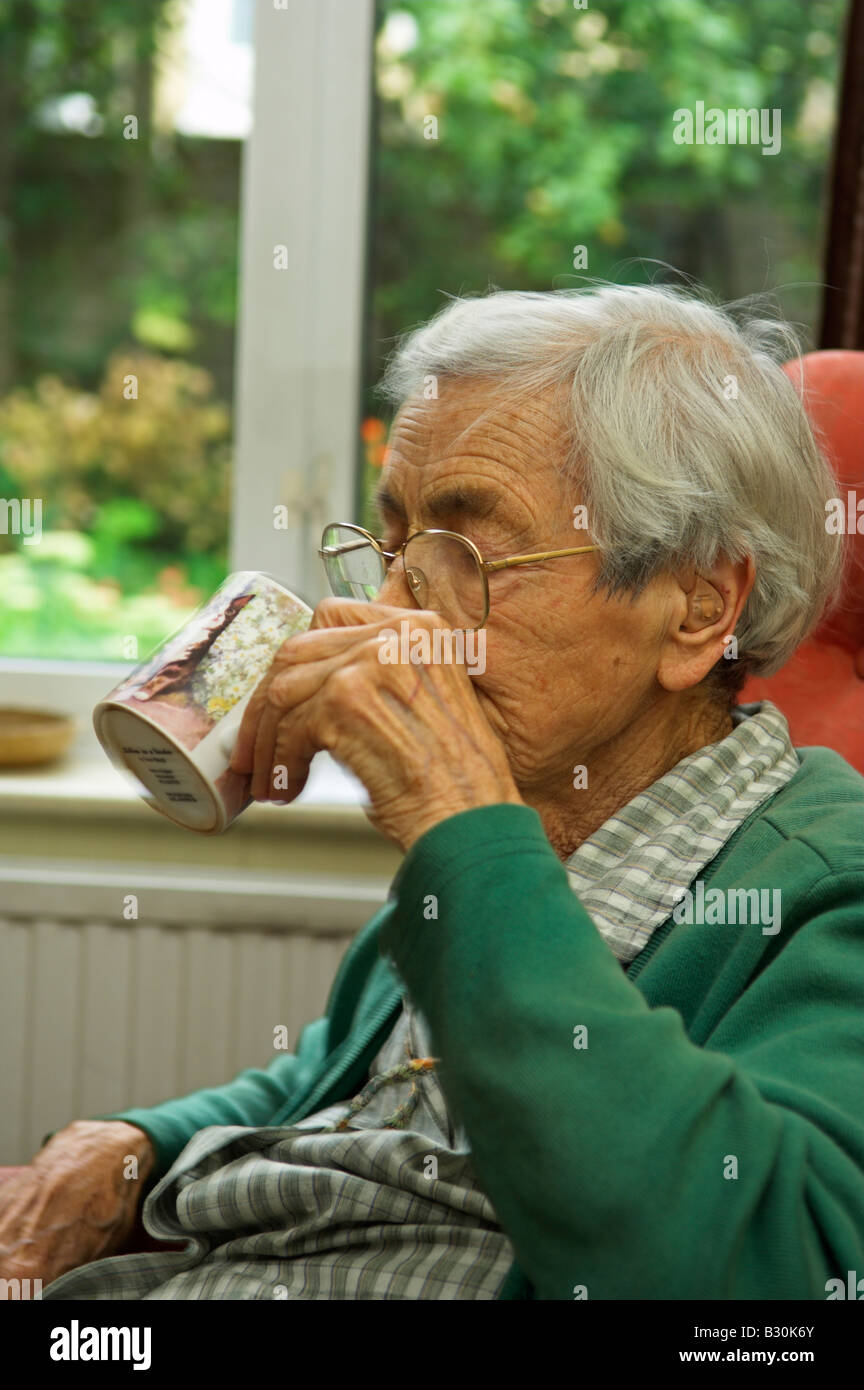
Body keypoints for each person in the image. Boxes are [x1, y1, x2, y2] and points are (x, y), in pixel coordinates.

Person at [2, 284, 862, 1300]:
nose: (394, 609)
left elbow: (771, 1277)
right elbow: (350, 1086)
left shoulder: (817, 897)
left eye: (465, 549)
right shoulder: (523, 821)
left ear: (696, 606)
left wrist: (459, 819)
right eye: (392, 545)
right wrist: (136, 1146)